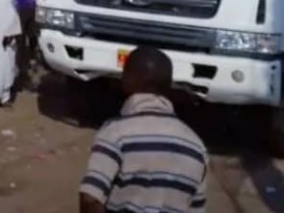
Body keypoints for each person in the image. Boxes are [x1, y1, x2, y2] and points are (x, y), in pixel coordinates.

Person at [79, 47, 207, 213]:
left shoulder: (115, 133)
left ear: (127, 81)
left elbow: (90, 198)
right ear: (168, 86)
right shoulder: (197, 147)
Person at [9, 0, 39, 89]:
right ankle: (21, 68)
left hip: (34, 8)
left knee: (33, 37)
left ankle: (33, 60)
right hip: (20, 8)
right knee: (20, 39)